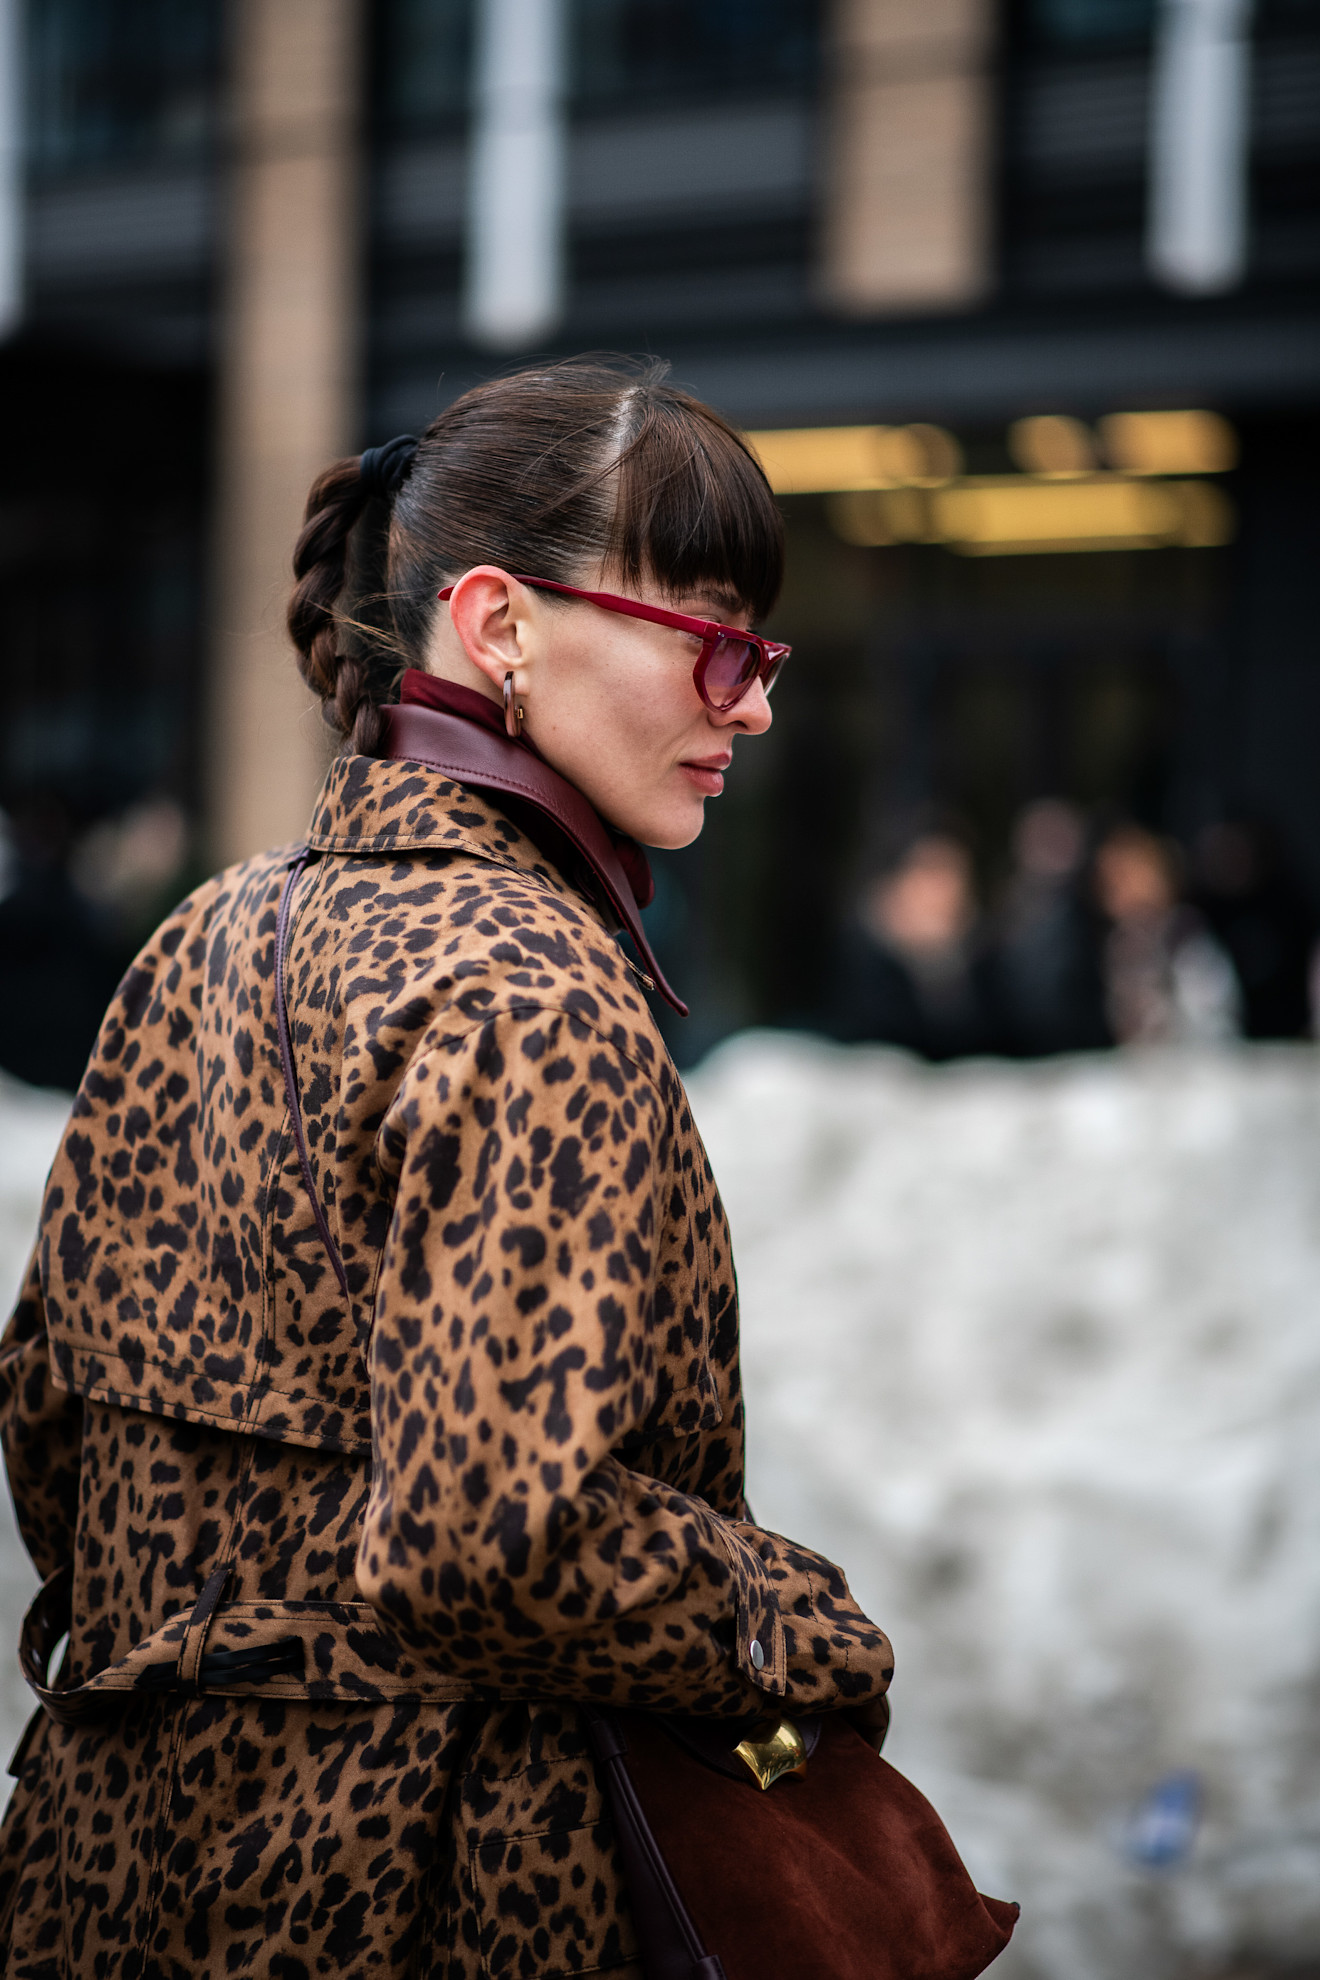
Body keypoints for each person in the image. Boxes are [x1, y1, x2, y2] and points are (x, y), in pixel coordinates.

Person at [0, 359, 894, 1978]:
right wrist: (788, 1625)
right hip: (425, 1890)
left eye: (759, 651)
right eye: (710, 637)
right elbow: (497, 1539)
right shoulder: (534, 992)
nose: (753, 701)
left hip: (95, 1873)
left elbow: (44, 1419)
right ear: (500, 628)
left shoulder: (207, 931)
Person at [835, 829, 1001, 1059]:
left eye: (953, 874)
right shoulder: (862, 962)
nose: (943, 891)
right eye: (931, 872)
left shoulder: (989, 962)